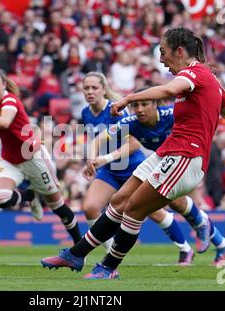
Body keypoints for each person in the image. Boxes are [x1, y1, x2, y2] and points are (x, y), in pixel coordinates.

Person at [41, 27, 225, 279]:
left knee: (135, 209)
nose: (160, 59)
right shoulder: (208, 81)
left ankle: (107, 267)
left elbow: (168, 91)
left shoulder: (195, 73)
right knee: (119, 201)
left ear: (180, 52)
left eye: (163, 52)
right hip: (167, 153)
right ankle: (76, 254)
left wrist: (129, 98)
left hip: (185, 156)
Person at [88, 95, 225, 264]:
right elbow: (99, 139)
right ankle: (220, 242)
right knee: (176, 203)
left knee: (172, 203)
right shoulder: (130, 122)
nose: (140, 109)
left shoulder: (171, 115)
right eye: (136, 105)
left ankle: (200, 237)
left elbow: (200, 125)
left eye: (145, 103)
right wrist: (92, 158)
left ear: (155, 104)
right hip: (165, 163)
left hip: (188, 159)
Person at [78, 72, 197, 265]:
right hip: (109, 171)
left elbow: (133, 145)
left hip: (132, 167)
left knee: (155, 213)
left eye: (94, 88)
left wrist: (106, 157)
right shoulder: (85, 113)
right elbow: (97, 141)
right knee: (90, 208)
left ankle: (185, 248)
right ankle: (110, 253)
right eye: (86, 88)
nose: (90, 92)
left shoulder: (119, 111)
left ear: (103, 89)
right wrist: (91, 159)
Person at [0, 68, 82, 244]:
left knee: (57, 205)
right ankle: (29, 196)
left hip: (32, 156)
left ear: (3, 84)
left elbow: (5, 121)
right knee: (0, 199)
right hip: (10, 159)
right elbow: (5, 127)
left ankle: (80, 245)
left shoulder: (10, 100)